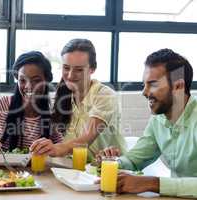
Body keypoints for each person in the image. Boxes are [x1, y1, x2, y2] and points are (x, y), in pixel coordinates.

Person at [96, 48, 197, 198]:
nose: (144, 92)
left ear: (178, 86)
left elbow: (151, 183)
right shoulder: (159, 119)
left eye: (153, 84)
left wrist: (152, 183)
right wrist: (113, 161)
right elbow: (136, 159)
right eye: (144, 84)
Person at [31, 39, 126, 160]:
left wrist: (58, 148)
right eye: (66, 68)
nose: (70, 75)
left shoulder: (104, 95)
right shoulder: (64, 98)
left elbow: (85, 140)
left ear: (92, 69)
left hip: (111, 169)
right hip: (78, 170)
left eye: (79, 69)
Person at [0, 51, 63, 152]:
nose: (29, 86)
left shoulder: (52, 114)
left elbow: (60, 149)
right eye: (22, 80)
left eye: (36, 80)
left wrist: (53, 148)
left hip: (37, 167)